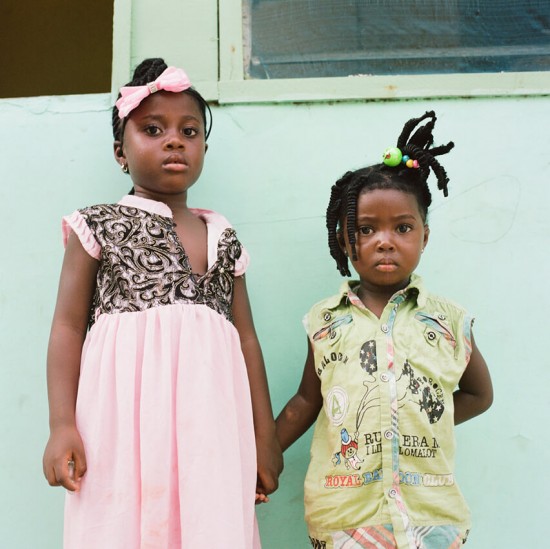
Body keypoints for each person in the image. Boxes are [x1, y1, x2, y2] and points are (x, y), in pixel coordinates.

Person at [42, 57, 283, 548]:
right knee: (122, 523)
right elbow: (67, 328)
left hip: (210, 428)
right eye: (153, 129)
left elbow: (247, 342)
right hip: (121, 427)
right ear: (120, 152)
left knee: (210, 525)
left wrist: (265, 439)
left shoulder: (224, 237)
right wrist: (62, 424)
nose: (174, 141)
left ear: (204, 148)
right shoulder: (98, 226)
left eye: (188, 132)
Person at [276, 111, 493, 549]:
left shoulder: (449, 321)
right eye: (366, 229)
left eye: (403, 228)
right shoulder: (324, 321)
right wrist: (260, 457)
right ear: (344, 240)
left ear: (424, 236)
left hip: (431, 517)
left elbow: (478, 394)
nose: (385, 240)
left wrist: (424, 418)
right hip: (345, 515)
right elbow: (306, 400)